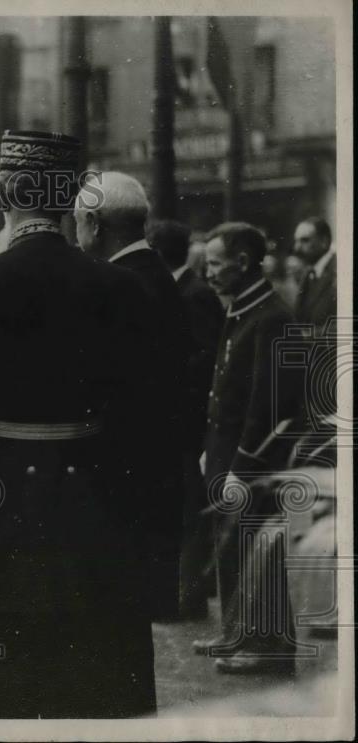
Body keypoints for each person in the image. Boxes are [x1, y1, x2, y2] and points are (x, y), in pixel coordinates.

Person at [0, 131, 157, 717]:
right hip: (91, 490)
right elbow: (139, 410)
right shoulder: (117, 285)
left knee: (7, 659)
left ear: (4, 192)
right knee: (84, 653)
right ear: (73, 195)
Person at [74, 172, 191, 621]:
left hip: (121, 480)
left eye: (78, 221)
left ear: (95, 223)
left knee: (115, 618)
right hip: (152, 473)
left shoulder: (120, 284)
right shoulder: (154, 275)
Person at [197, 221, 301, 675]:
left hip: (251, 458)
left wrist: (242, 463)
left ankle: (269, 645)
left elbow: (267, 401)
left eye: (216, 264)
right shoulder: (243, 307)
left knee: (257, 547)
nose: (210, 273)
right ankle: (236, 632)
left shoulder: (271, 315)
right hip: (226, 451)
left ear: (242, 263)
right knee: (231, 545)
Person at [146, 218, 225, 618]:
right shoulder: (181, 289)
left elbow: (205, 356)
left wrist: (165, 373)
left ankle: (188, 597)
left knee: (189, 509)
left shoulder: (191, 293)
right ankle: (181, 593)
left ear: (159, 253)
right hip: (179, 421)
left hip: (186, 422)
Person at [293, 216, 336, 332]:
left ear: (324, 242)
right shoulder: (308, 273)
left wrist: (306, 336)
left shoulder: (340, 272)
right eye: (296, 241)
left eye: (305, 240)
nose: (296, 248)